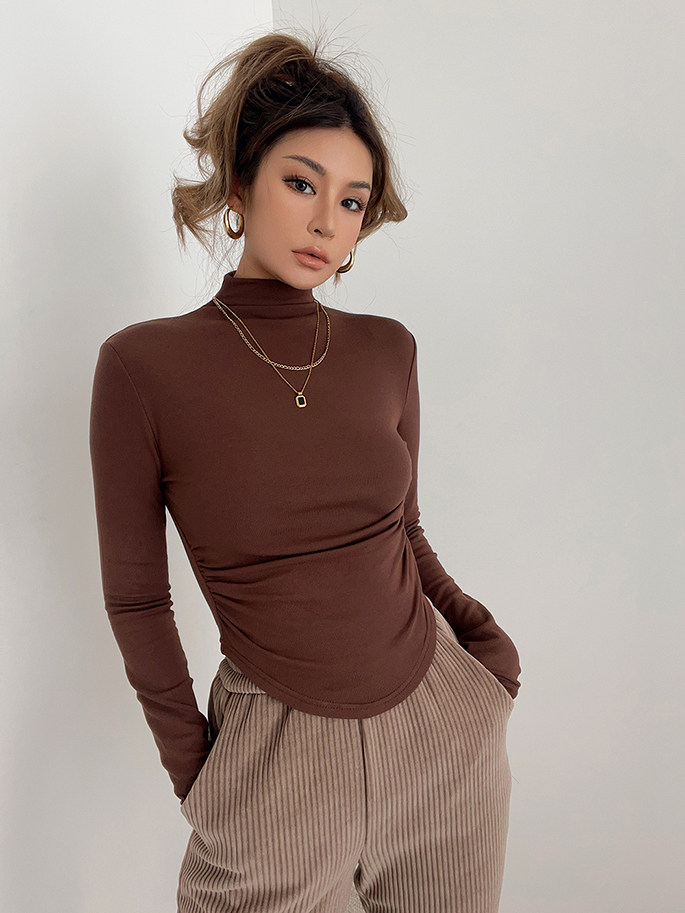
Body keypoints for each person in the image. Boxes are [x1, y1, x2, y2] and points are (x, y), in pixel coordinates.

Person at [89, 27, 522, 913]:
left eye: (352, 200)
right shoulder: (142, 367)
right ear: (239, 183)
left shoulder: (386, 350)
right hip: (275, 757)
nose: (328, 221)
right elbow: (137, 600)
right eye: (301, 184)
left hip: (441, 734)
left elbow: (404, 530)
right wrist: (200, 778)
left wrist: (486, 653)